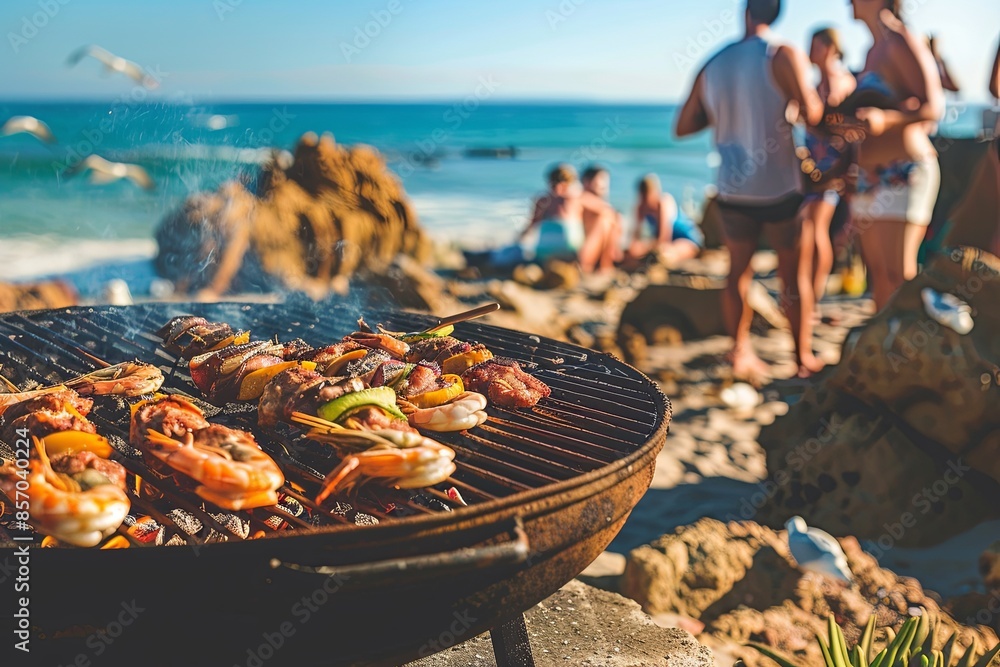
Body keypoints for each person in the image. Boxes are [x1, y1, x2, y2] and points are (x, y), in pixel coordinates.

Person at [675, 0, 825, 382]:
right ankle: (801, 358)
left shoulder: (715, 61)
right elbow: (813, 112)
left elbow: (683, 125)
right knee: (793, 277)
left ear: (745, 12)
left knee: (737, 272)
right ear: (776, 13)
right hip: (779, 187)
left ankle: (739, 351)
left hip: (731, 187)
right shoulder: (782, 53)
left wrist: (726, 114)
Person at [848, 0, 944, 312]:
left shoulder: (901, 40)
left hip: (902, 170)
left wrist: (885, 120)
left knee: (899, 276)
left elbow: (933, 107)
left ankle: (911, 354)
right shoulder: (871, 51)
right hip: (870, 177)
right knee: (879, 278)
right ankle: (886, 354)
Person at [798, 27, 858, 309]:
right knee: (812, 227)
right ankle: (810, 292)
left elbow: (839, 129)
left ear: (828, 47)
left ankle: (813, 293)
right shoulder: (825, 80)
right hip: (820, 165)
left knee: (816, 227)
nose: (808, 52)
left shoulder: (836, 81)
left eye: (813, 45)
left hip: (828, 167)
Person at [519, 163, 618, 274]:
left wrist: (518, 240)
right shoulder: (577, 197)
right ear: (572, 181)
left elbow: (532, 226)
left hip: (543, 255)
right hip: (570, 253)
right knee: (605, 220)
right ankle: (605, 265)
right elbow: (609, 211)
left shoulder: (542, 200)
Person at [625, 173, 704, 267]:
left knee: (666, 254)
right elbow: (635, 237)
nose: (645, 200)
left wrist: (647, 247)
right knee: (632, 252)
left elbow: (664, 237)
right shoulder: (641, 207)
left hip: (687, 239)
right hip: (667, 242)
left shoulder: (664, 203)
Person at [580, 164, 625, 269]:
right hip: (581, 255)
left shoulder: (588, 201)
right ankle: (605, 265)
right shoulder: (582, 197)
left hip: (584, 251)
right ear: (587, 182)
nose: (605, 184)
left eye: (606, 180)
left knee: (610, 218)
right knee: (605, 220)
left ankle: (606, 263)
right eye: (601, 179)